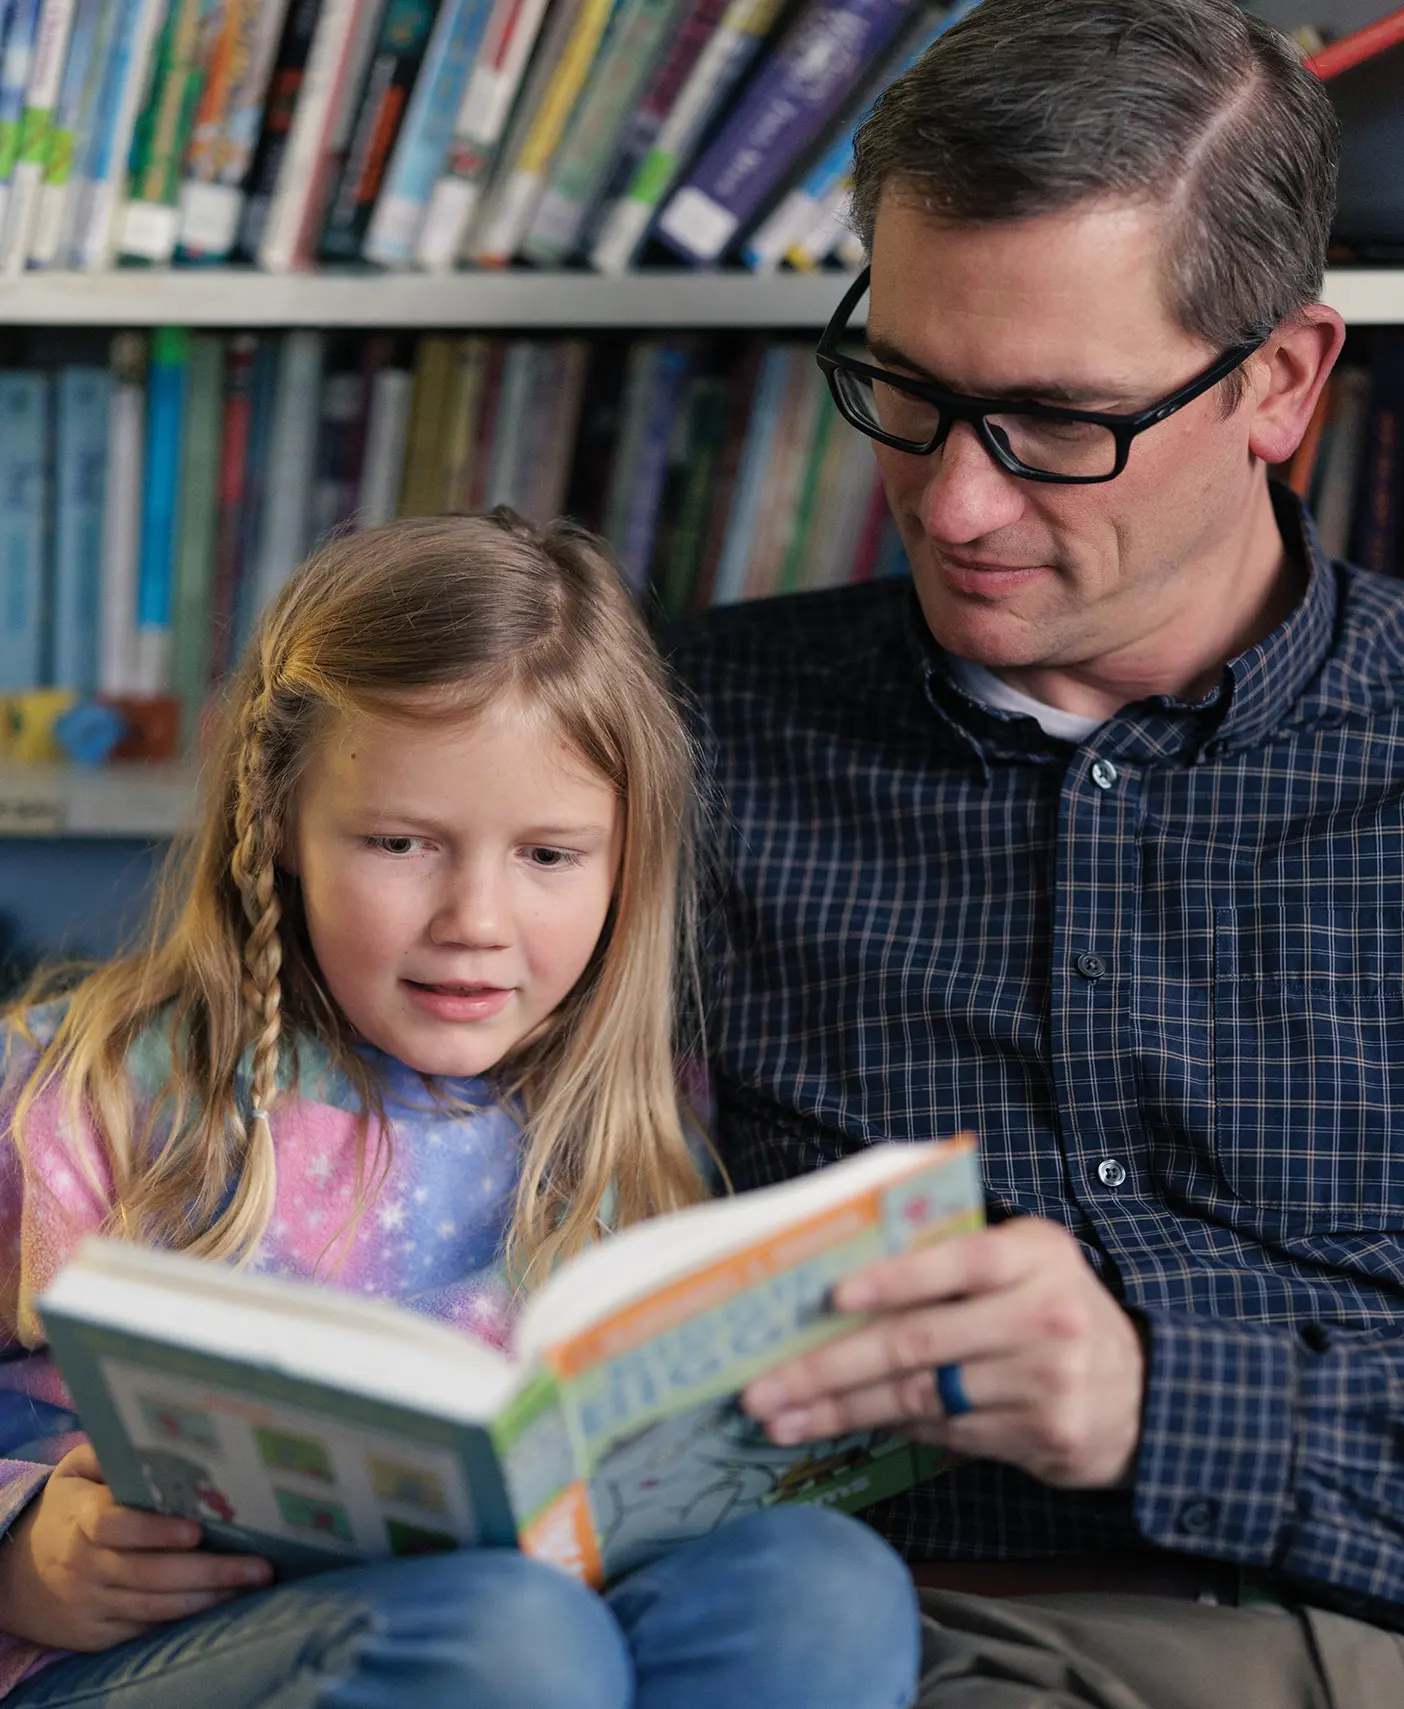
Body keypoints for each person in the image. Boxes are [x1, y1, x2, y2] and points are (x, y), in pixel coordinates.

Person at [669, 0, 1404, 1702]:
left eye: (1057, 423)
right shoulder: (669, 744)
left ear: (1279, 382)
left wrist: (1162, 1401)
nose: (949, 504)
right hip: (894, 1630)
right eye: (905, 393)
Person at [0, 512, 922, 1709]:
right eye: (401, 840)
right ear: (277, 819)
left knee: (825, 1581)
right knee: (509, 1636)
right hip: (155, 1660)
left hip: (548, 1641)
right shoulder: (80, 1085)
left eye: (549, 855)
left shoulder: (648, 1128)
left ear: (627, 858)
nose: (476, 917)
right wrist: (23, 1555)